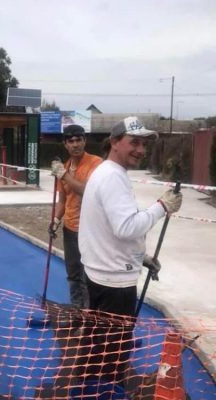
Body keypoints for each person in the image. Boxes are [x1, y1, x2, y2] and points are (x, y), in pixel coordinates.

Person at [77, 116, 182, 383]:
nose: (141, 150)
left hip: (102, 272)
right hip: (114, 284)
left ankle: (86, 383)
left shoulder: (105, 171)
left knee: (96, 347)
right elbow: (126, 228)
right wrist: (162, 206)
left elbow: (110, 229)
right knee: (112, 356)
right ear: (114, 142)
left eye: (144, 144)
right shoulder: (112, 176)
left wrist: (140, 257)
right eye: (134, 142)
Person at [49, 124, 102, 308]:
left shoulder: (96, 163)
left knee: (89, 276)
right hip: (70, 229)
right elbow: (63, 200)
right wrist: (55, 221)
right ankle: (77, 311)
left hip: (90, 231)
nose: (75, 144)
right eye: (70, 141)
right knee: (73, 274)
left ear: (85, 141)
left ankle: (90, 316)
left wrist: (63, 175)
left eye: (79, 139)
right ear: (65, 144)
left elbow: (86, 190)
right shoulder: (63, 168)